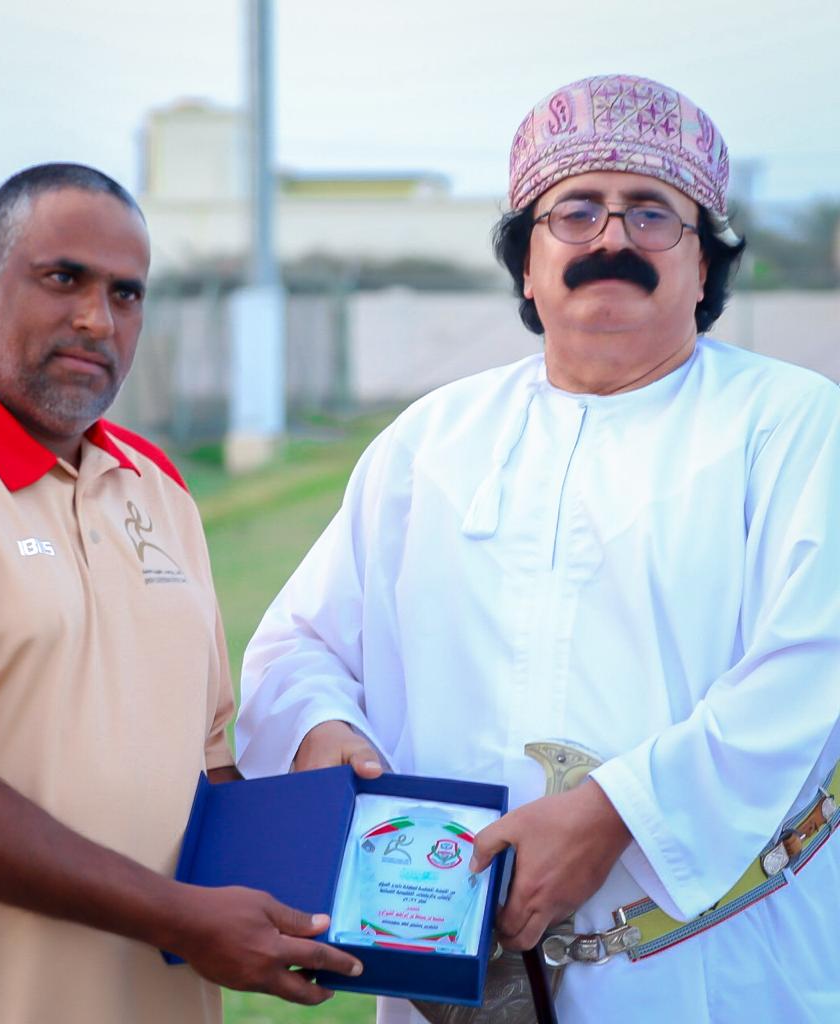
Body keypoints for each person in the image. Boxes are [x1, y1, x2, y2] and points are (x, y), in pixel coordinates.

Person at [235, 74, 840, 1023]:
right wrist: (322, 731)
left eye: (653, 214)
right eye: (576, 212)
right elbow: (297, 645)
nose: (611, 239)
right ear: (527, 262)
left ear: (705, 266)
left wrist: (615, 815)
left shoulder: (795, 426)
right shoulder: (431, 440)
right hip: (452, 972)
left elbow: (811, 671)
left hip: (715, 968)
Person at [0, 163, 361, 1024]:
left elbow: (205, 765)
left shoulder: (159, 485)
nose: (96, 320)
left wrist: (364, 880)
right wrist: (183, 917)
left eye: (126, 293)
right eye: (63, 279)